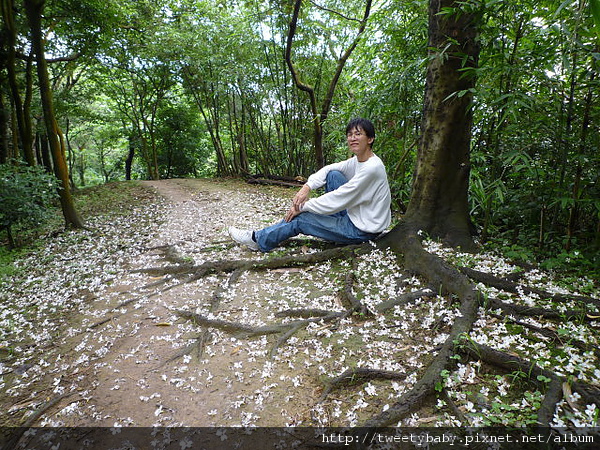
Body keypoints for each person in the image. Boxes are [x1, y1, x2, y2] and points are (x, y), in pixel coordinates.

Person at [228, 118, 391, 252]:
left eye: (358, 134)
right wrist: (307, 186)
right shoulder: (359, 160)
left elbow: (339, 198)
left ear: (370, 139)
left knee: (301, 220)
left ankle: (257, 239)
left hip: (361, 230)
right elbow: (329, 168)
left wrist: (301, 208)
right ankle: (325, 227)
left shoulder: (372, 168)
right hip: (356, 216)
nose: (352, 138)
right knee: (333, 175)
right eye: (350, 134)